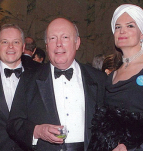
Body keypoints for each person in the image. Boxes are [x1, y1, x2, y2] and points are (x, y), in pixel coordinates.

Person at [7, 18, 107, 151]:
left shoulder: (98, 79)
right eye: (52, 38)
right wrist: (37, 131)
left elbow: (110, 124)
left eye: (65, 37)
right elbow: (14, 124)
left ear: (77, 43)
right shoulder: (28, 79)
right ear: (47, 46)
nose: (59, 44)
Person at [89, 4, 143, 151]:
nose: (122, 31)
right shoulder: (112, 75)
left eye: (130, 26)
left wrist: (137, 148)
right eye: (117, 27)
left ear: (142, 33)